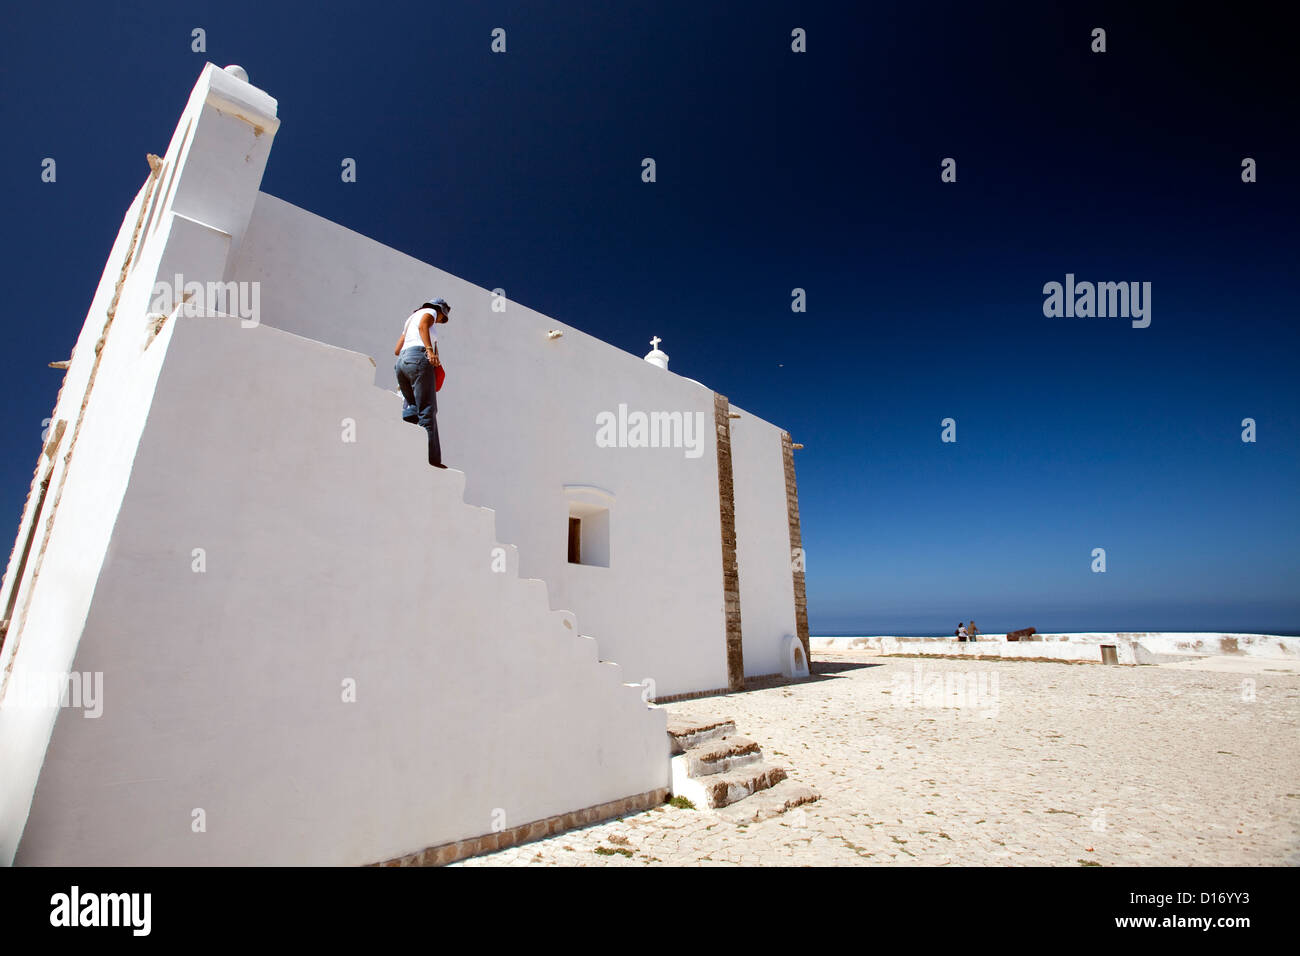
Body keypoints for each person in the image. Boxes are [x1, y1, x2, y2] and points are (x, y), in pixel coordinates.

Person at [394, 297, 450, 468]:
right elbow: (423, 326)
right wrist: (429, 351)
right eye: (443, 318)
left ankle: (404, 449)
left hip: (402, 362)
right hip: (418, 358)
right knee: (427, 409)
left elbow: (397, 350)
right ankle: (431, 460)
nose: (440, 321)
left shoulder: (410, 318)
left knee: (411, 409)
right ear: (439, 310)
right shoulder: (430, 312)